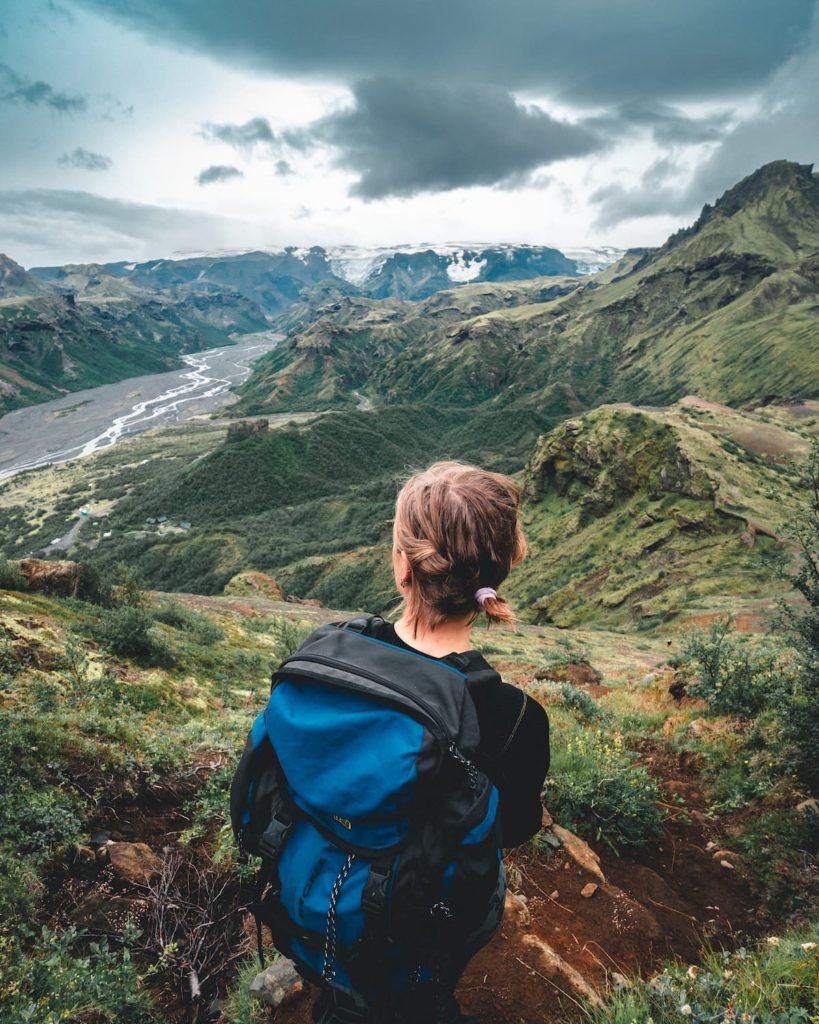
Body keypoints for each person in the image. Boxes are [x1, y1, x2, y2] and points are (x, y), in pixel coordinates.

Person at [311, 461, 551, 1023]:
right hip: (424, 915)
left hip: (318, 888)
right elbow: (513, 830)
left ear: (403, 568)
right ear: (501, 570)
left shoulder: (332, 654)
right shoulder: (515, 717)